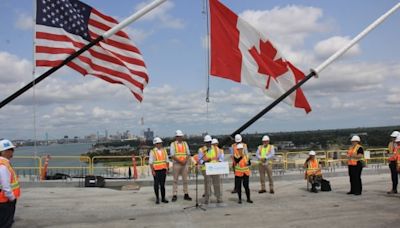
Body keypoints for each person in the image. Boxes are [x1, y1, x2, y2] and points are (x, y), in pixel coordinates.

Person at [0, 139, 20, 228]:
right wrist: (12, 197)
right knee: (6, 224)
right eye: (11, 149)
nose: (12, 152)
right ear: (5, 151)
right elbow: (6, 186)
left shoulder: (4, 163)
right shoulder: (3, 165)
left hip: (5, 200)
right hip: (5, 201)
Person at [198, 138, 224, 204]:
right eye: (207, 142)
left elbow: (220, 157)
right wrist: (204, 161)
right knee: (207, 184)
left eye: (209, 142)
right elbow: (200, 160)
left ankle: (218, 198)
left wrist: (220, 162)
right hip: (206, 169)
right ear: (205, 142)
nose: (208, 143)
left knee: (217, 183)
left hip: (215, 168)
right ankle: (207, 198)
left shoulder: (216, 149)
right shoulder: (201, 150)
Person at [170, 130, 192, 202]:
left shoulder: (185, 144)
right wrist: (180, 161)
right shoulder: (173, 144)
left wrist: (185, 161)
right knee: (175, 180)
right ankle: (174, 194)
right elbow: (172, 155)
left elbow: (188, 154)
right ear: (176, 137)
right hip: (177, 164)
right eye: (179, 137)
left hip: (184, 164)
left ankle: (186, 193)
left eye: (181, 136)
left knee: (185, 180)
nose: (180, 138)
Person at [149, 137, 169, 204]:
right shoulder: (152, 151)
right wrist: (153, 171)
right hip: (156, 171)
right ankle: (157, 199)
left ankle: (163, 198)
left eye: (160, 143)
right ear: (155, 144)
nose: (160, 144)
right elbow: (151, 162)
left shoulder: (164, 150)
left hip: (163, 170)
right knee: (156, 185)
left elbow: (167, 160)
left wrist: (167, 168)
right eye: (159, 143)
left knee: (162, 185)